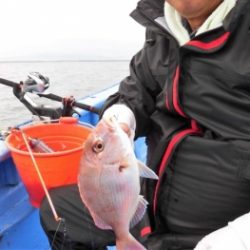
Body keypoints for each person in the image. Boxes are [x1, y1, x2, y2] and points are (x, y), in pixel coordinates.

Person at [40, 0, 250, 249]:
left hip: (218, 231)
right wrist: (121, 115)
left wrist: (240, 236)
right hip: (150, 202)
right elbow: (137, 89)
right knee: (56, 211)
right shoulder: (163, 28)